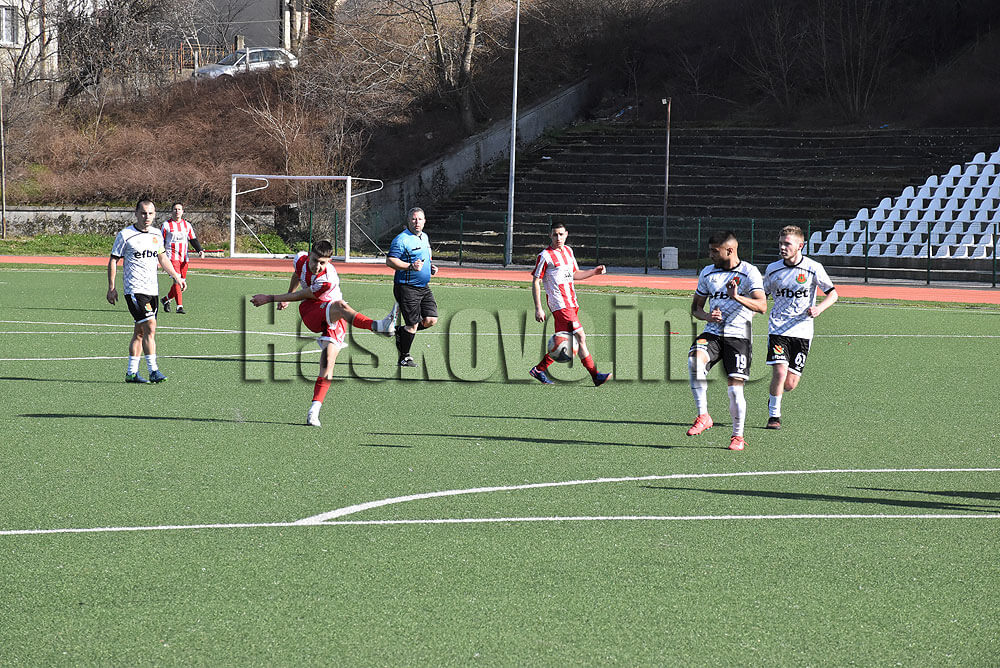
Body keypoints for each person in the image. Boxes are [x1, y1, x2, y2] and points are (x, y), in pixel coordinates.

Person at [250, 240, 397, 427]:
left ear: (329, 262)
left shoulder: (328, 279)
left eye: (322, 263)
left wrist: (269, 298)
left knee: (328, 363)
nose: (317, 266)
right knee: (341, 306)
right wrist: (285, 295)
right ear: (309, 255)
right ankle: (378, 326)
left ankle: (314, 411)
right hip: (311, 312)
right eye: (315, 260)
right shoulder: (300, 259)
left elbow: (301, 294)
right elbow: (297, 278)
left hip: (334, 316)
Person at [687, 230, 766, 451]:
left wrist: (737, 297)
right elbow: (696, 308)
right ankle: (704, 416)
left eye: (715, 251)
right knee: (694, 361)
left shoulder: (749, 272)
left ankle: (737, 436)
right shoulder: (707, 273)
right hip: (713, 332)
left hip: (738, 335)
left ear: (729, 250)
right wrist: (707, 316)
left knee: (734, 390)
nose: (710, 255)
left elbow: (762, 306)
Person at [762, 225, 839, 429]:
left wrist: (819, 309)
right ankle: (774, 416)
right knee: (780, 371)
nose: (782, 247)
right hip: (778, 328)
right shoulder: (773, 269)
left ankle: (774, 397)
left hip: (803, 331)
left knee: (789, 384)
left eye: (787, 244)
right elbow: (762, 297)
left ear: (800, 246)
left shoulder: (813, 268)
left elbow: (833, 294)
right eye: (780, 243)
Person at [107, 199, 187, 383]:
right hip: (134, 289)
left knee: (140, 332)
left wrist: (177, 277)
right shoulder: (125, 235)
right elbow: (113, 260)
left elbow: (162, 257)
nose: (147, 217)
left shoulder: (156, 234)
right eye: (143, 213)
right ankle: (153, 370)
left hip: (152, 289)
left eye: (150, 213)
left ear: (155, 214)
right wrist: (112, 287)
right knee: (150, 325)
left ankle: (131, 373)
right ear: (136, 213)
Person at [528, 221, 612, 386]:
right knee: (580, 336)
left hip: (572, 302)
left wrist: (594, 272)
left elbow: (575, 274)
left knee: (564, 340)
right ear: (550, 235)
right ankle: (596, 376)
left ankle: (538, 370)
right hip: (559, 304)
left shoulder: (568, 251)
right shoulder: (545, 256)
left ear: (566, 234)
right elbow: (536, 281)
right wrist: (538, 308)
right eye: (555, 234)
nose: (558, 238)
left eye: (561, 234)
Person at [385, 207, 438, 367]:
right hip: (406, 287)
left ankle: (402, 332)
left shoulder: (424, 237)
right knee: (413, 324)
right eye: (414, 219)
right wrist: (410, 266)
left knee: (431, 320)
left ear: (424, 221)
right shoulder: (401, 240)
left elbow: (425, 258)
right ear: (408, 221)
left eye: (420, 219)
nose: (417, 222)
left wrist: (431, 267)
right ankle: (404, 357)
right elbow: (390, 261)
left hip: (423, 287)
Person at [160, 202, 204, 314]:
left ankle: (166, 299)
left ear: (182, 211)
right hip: (171, 257)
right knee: (177, 280)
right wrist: (161, 260)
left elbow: (193, 239)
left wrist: (199, 250)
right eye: (175, 209)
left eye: (179, 209)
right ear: (171, 211)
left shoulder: (187, 225)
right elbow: (160, 242)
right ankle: (179, 306)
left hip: (184, 258)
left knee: (181, 283)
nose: (177, 211)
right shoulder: (166, 225)